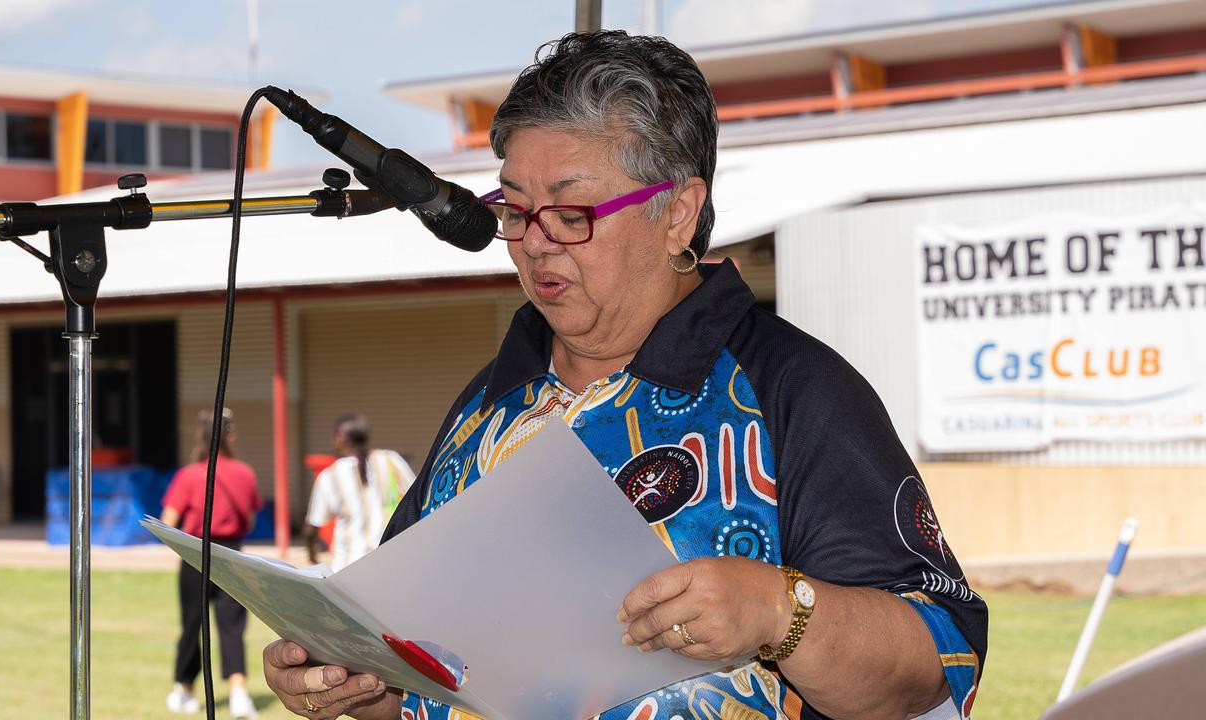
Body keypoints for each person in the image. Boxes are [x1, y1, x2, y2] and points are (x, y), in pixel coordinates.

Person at [262, 30, 987, 720]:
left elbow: (938, 664)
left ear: (678, 212)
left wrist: (778, 611)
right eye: (515, 208)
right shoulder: (486, 405)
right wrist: (356, 683)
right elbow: (418, 669)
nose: (535, 245)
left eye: (573, 213)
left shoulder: (792, 388)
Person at [161, 408, 263, 719]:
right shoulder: (245, 473)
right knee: (232, 626)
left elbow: (169, 520)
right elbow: (250, 518)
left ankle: (185, 690)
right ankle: (238, 693)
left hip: (195, 553)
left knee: (193, 624)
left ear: (199, 437)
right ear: (229, 435)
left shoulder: (190, 474)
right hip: (232, 554)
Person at [304, 413, 414, 570]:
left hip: (347, 566)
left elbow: (312, 526)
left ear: (340, 438)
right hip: (390, 561)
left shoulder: (330, 475)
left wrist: (311, 553)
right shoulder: (390, 459)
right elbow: (418, 497)